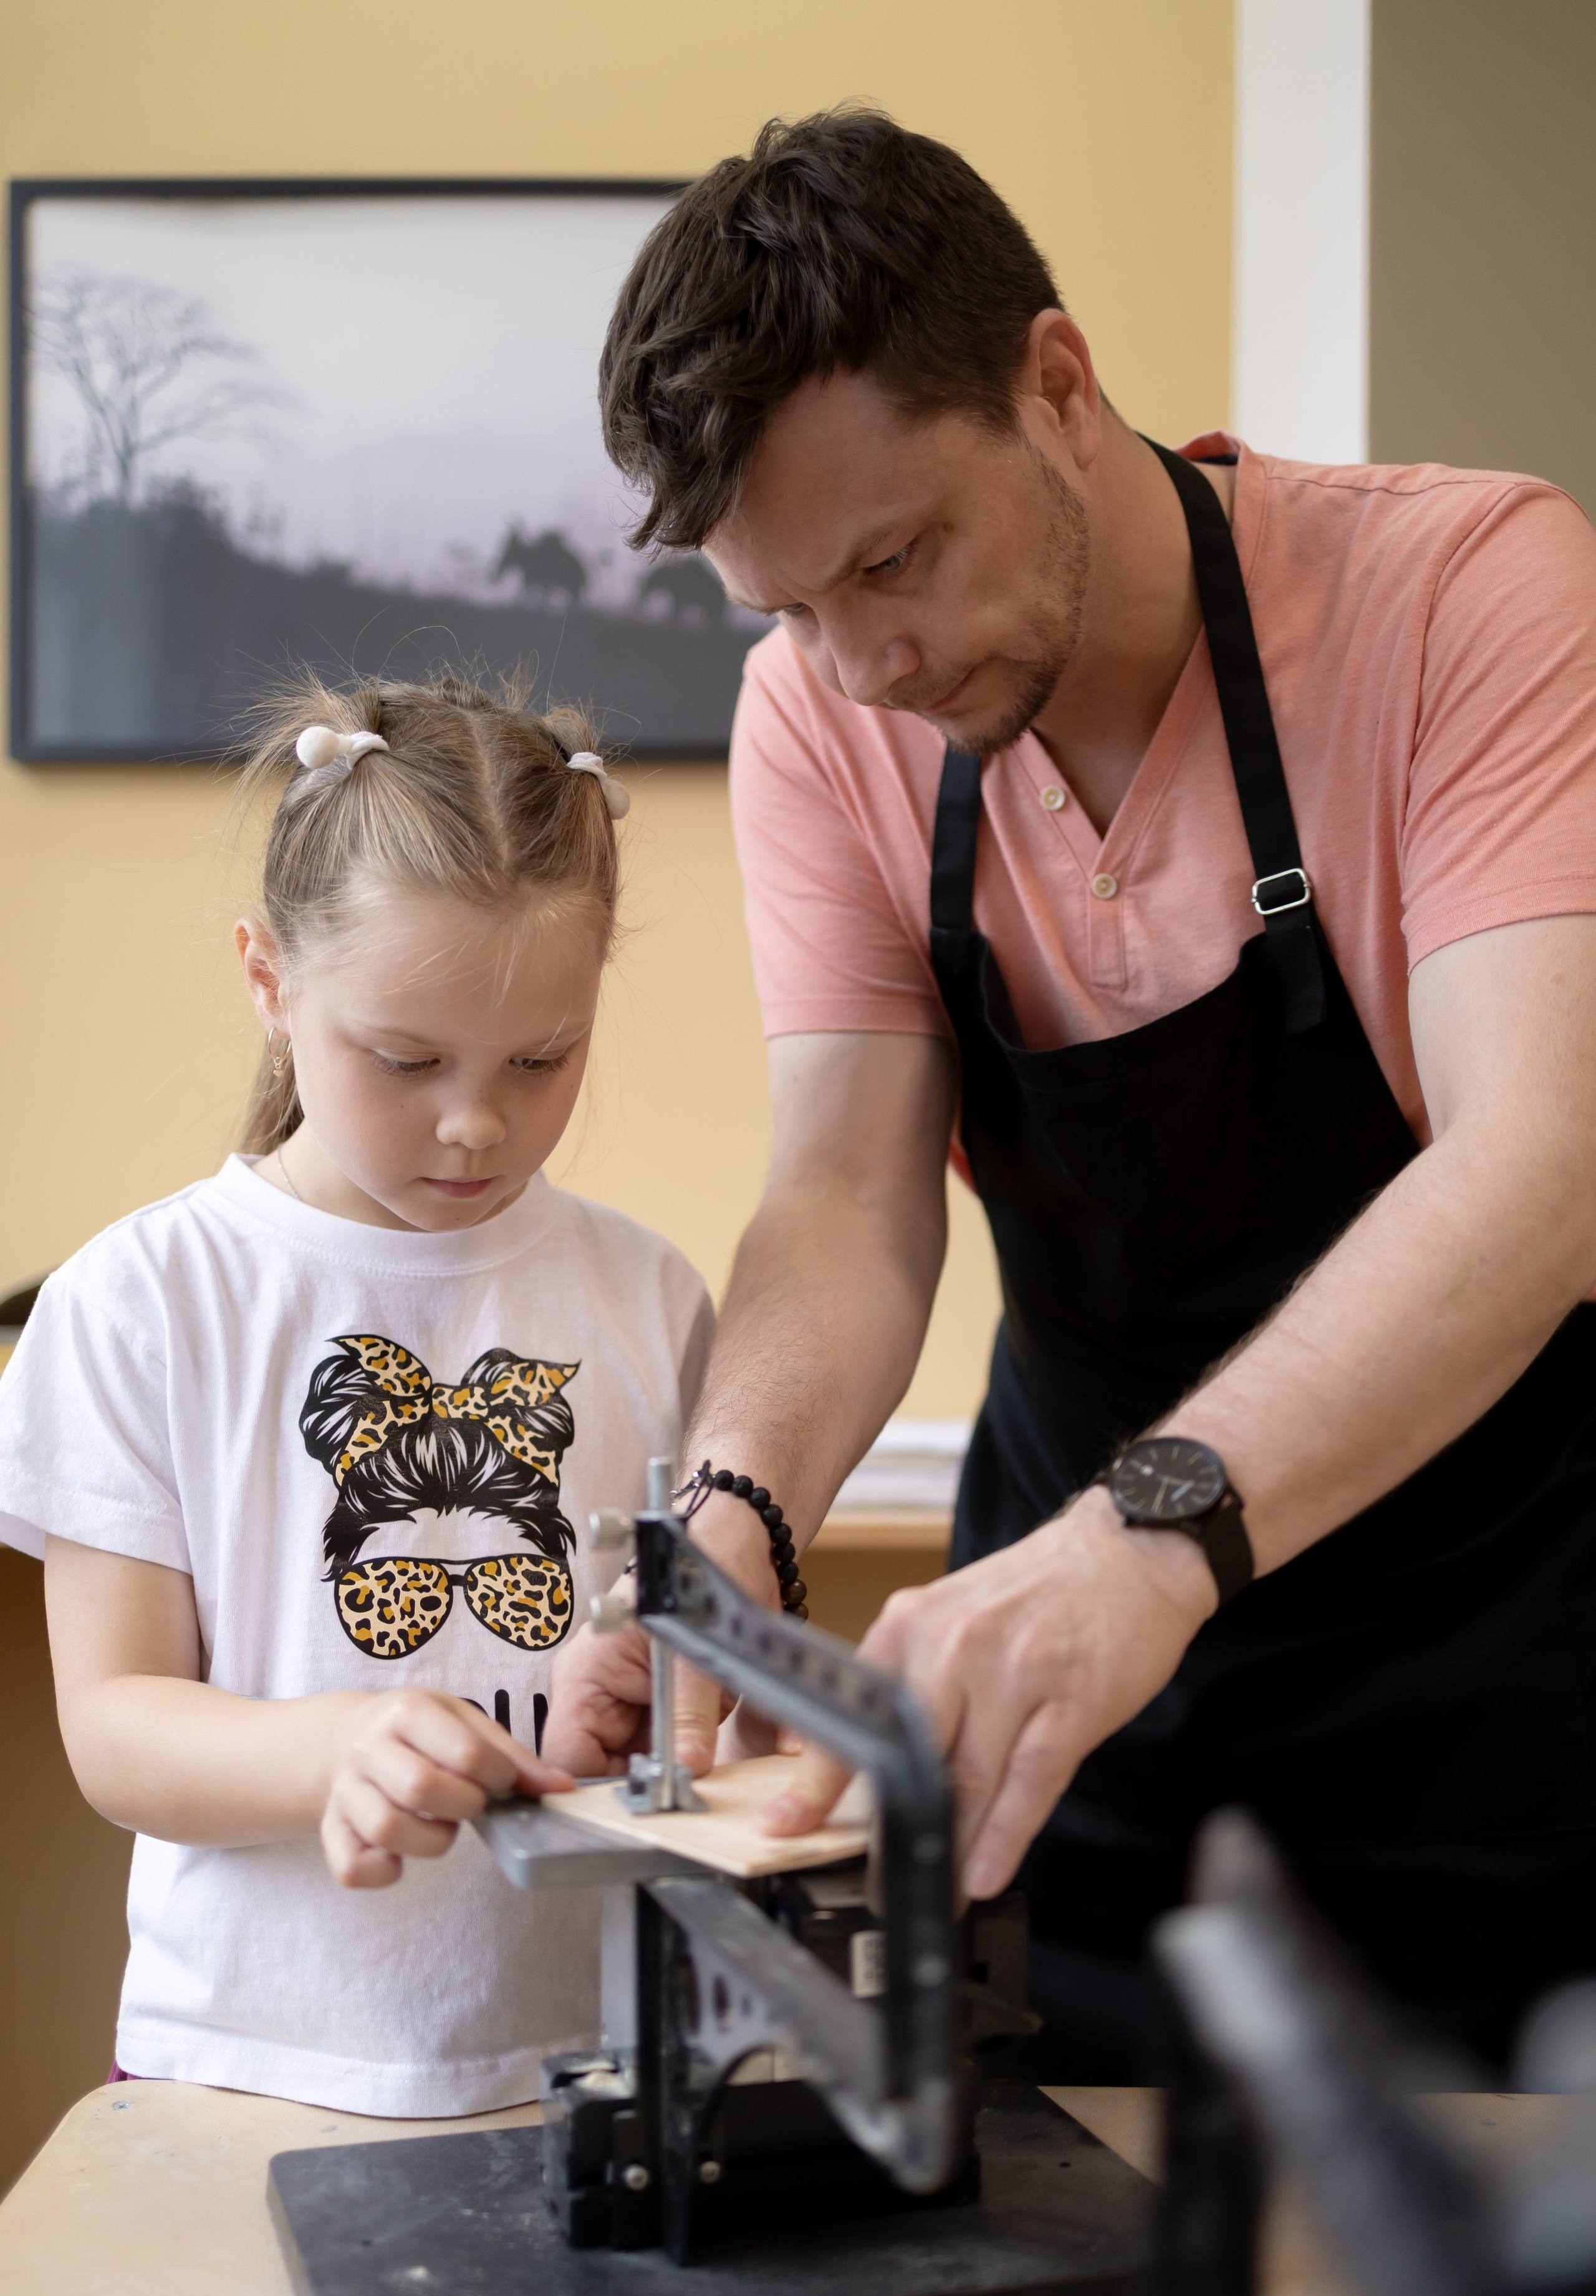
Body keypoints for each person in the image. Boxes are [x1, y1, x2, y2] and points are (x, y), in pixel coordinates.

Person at [547, 109, 1596, 2073]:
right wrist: (731, 1537)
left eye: (899, 559)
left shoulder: (1470, 591)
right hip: (1071, 1733)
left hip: (1493, 1721)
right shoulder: (826, 716)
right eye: (794, 608)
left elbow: (1544, 1165)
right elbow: (848, 1195)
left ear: (1057, 382)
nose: (862, 664)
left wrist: (1149, 1540)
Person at [0, 674, 713, 2114]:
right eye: (404, 1060)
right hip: (248, 2066)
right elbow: (117, 1728)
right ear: (269, 981)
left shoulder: (650, 1298)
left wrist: (657, 1709)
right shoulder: (142, 1301)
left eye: (541, 1059)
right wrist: (333, 1742)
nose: (474, 1120)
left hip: (594, 2062)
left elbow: (703, 1679)